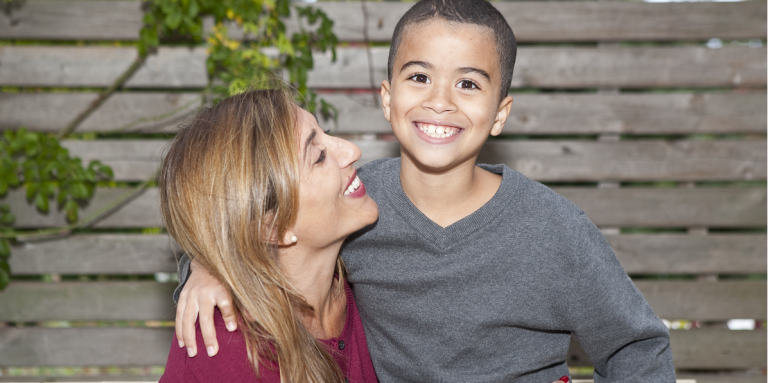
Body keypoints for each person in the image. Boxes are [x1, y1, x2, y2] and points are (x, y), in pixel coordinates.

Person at [172, 0, 677, 381]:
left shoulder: (555, 231)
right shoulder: (354, 206)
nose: (440, 102)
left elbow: (637, 346)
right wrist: (204, 269)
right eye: (420, 76)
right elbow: (250, 224)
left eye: (469, 84)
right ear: (388, 97)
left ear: (500, 114)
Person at [157, 87, 380, 383]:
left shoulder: (368, 268)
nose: (353, 151)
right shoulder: (227, 352)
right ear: (271, 228)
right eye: (318, 156)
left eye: (325, 131)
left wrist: (206, 264)